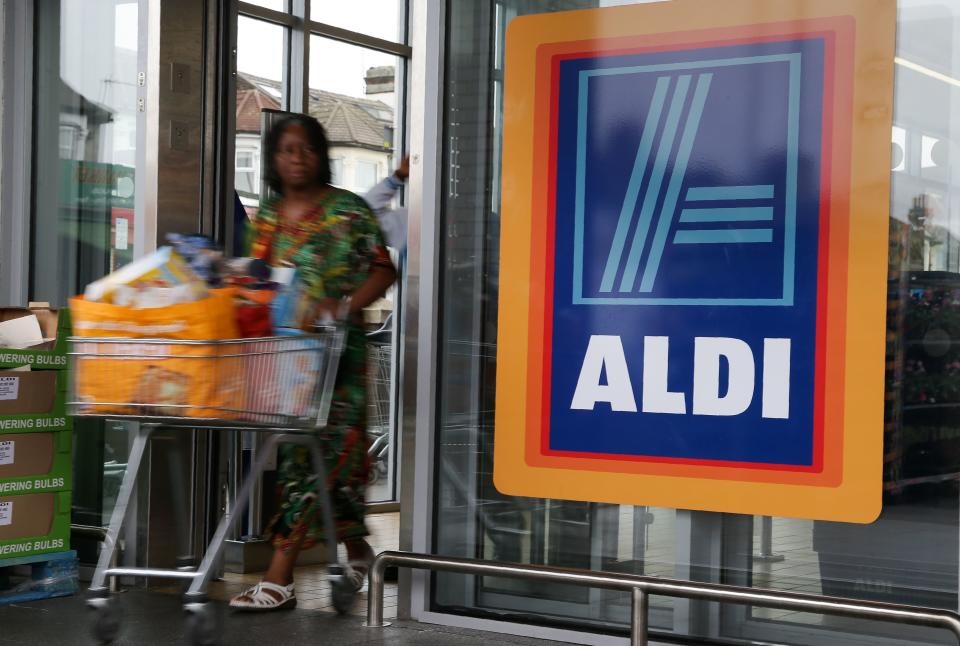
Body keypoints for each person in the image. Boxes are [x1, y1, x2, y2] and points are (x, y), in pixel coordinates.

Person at [229, 115, 396, 611]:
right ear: (273, 160)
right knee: (330, 461)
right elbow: (256, 283)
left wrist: (342, 308)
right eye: (286, 150)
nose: (297, 158)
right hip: (284, 360)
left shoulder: (348, 211)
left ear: (320, 156)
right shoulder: (267, 219)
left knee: (313, 457)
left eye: (306, 149)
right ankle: (361, 551)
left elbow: (384, 267)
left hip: (337, 361)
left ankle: (279, 577)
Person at [363, 155, 409, 253]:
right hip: (411, 227)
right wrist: (400, 175)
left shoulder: (362, 211)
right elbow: (378, 195)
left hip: (407, 242)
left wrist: (400, 175)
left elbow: (378, 195)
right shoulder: (361, 212)